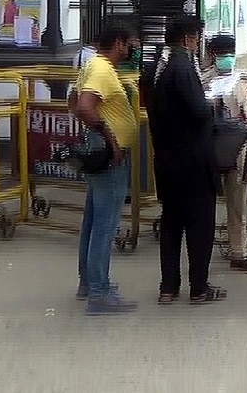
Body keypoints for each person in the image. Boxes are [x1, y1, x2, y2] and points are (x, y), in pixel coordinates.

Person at [141, 15, 227, 305]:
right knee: (199, 226)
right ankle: (199, 287)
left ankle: (168, 287)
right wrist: (212, 104)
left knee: (171, 224)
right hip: (192, 160)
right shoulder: (182, 67)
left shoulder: (155, 67)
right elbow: (198, 112)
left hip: (165, 158)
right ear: (190, 38)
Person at [71, 21, 141, 314]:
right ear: (118, 44)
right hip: (109, 156)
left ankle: (89, 282)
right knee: (105, 225)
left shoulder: (91, 66)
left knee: (93, 220)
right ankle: (98, 293)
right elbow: (85, 106)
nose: (130, 50)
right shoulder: (101, 69)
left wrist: (94, 131)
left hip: (98, 150)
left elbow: (72, 101)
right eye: (128, 44)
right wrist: (109, 137)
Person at [201, 33, 247, 275]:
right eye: (221, 53)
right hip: (210, 145)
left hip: (239, 147)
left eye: (230, 52)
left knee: (237, 205)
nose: (226, 57)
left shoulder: (243, 79)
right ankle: (202, 252)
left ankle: (239, 253)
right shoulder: (204, 80)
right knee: (205, 204)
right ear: (212, 55)